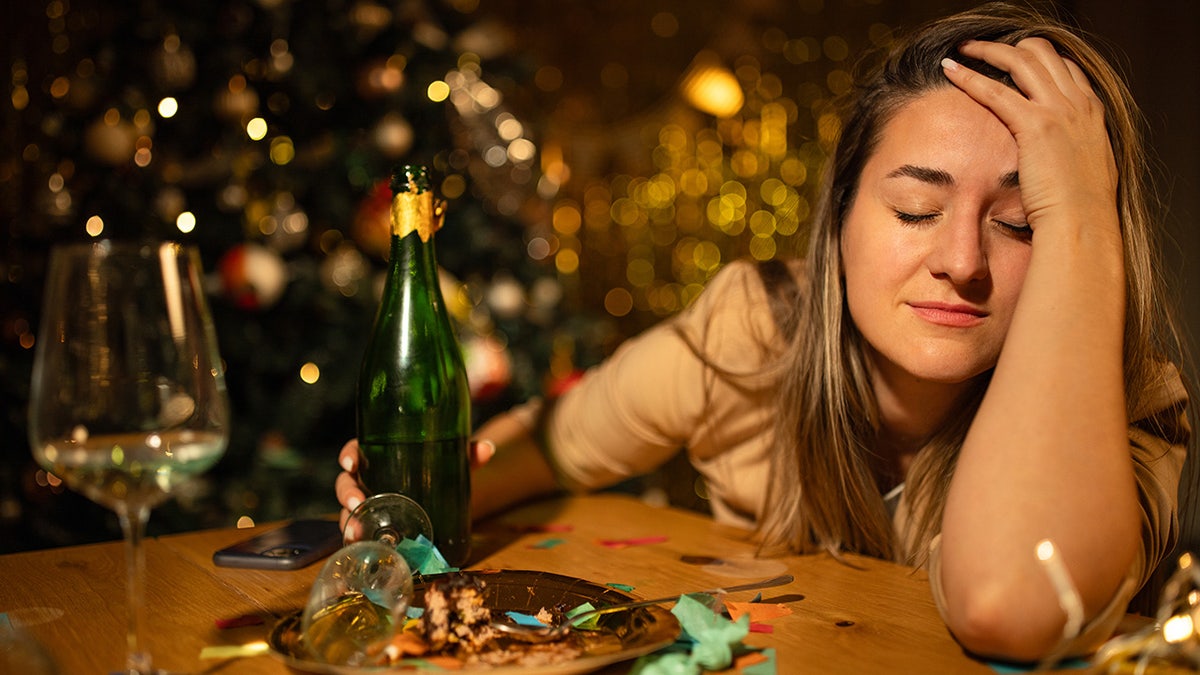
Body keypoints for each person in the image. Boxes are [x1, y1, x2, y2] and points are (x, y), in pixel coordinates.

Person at [335, 2, 1191, 663]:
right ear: (842, 218)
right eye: (916, 208)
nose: (960, 259)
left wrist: (1079, 208)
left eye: (1021, 223)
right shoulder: (754, 330)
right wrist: (407, 508)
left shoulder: (1131, 399)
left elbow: (1009, 602)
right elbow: (551, 449)